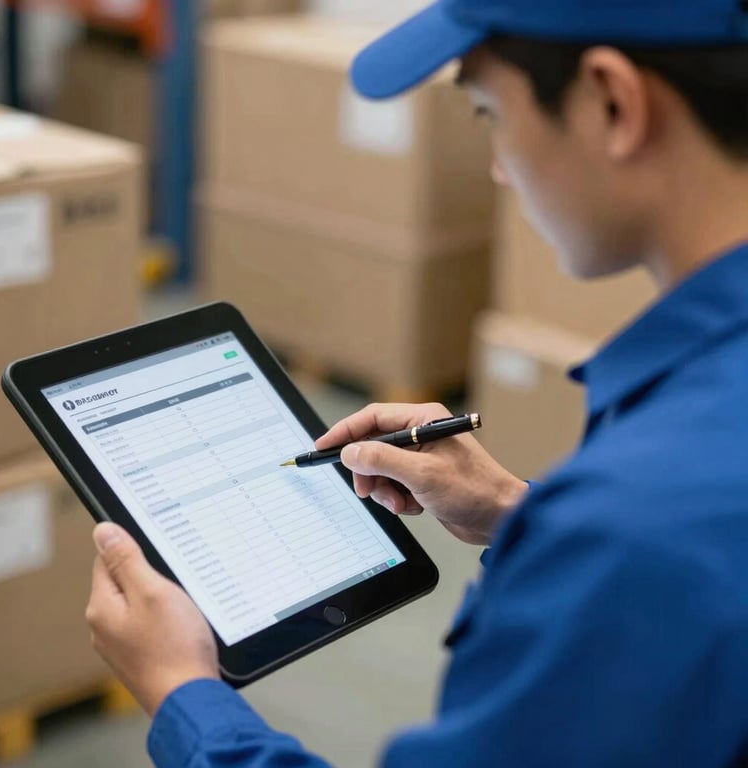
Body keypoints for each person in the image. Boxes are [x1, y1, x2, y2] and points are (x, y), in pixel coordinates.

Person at [85, 0, 748, 765]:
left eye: (489, 112)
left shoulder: (640, 518)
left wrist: (182, 693)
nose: (500, 165)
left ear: (613, 102)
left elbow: (663, 550)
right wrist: (519, 515)